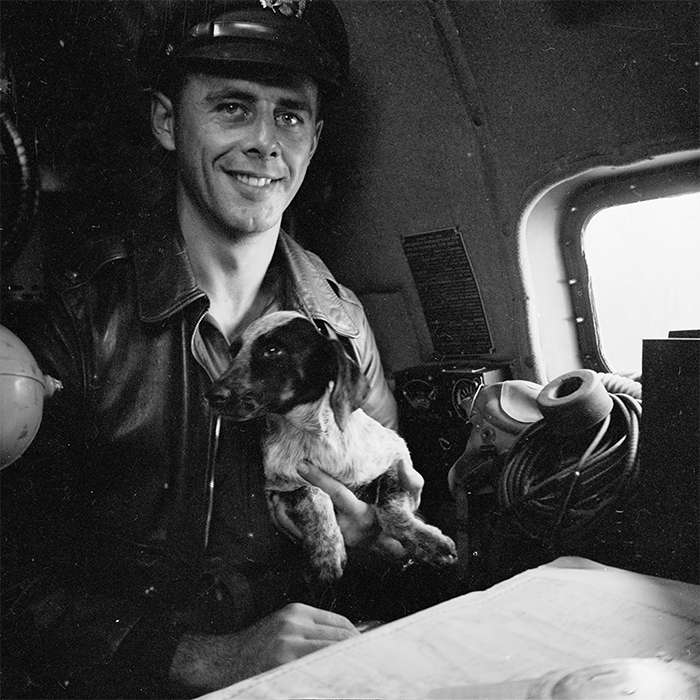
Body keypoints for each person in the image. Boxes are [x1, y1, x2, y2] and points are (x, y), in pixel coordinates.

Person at [0, 1, 449, 697]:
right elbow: (13, 580)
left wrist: (376, 544)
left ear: (315, 137)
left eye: (289, 115)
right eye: (234, 108)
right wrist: (203, 658)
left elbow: (389, 520)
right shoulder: (80, 317)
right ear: (166, 121)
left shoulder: (342, 324)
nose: (267, 143)